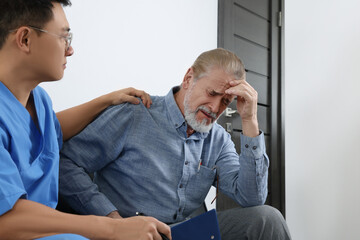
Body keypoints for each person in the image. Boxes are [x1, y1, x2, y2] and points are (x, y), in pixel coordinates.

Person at [59, 48, 292, 239]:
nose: (215, 108)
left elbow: (252, 198)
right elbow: (65, 162)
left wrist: (250, 120)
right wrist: (111, 219)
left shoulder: (218, 139)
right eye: (212, 93)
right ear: (189, 78)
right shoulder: (134, 114)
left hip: (185, 233)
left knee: (267, 219)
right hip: (132, 233)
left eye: (226, 101)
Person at [0, 0, 171, 239]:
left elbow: (49, 132)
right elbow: (6, 219)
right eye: (64, 38)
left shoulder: (38, 100)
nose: (70, 50)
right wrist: (113, 227)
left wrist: (107, 100)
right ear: (25, 39)